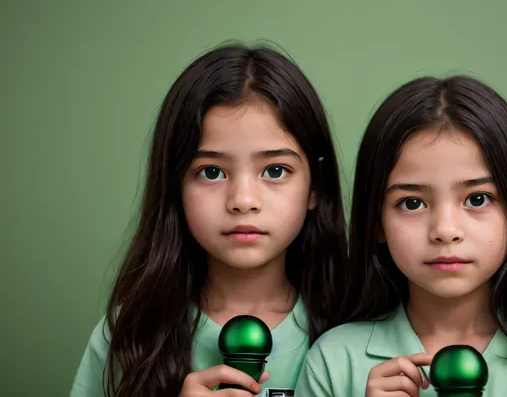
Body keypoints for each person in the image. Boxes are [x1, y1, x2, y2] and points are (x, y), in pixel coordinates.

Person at [296, 75, 507, 396]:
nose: (445, 231)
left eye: (477, 199)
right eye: (412, 203)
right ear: (377, 221)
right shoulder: (333, 363)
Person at [70, 43, 349, 397]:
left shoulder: (357, 332)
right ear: (175, 184)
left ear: (316, 187)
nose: (243, 201)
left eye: (275, 170)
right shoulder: (127, 334)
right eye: (212, 172)